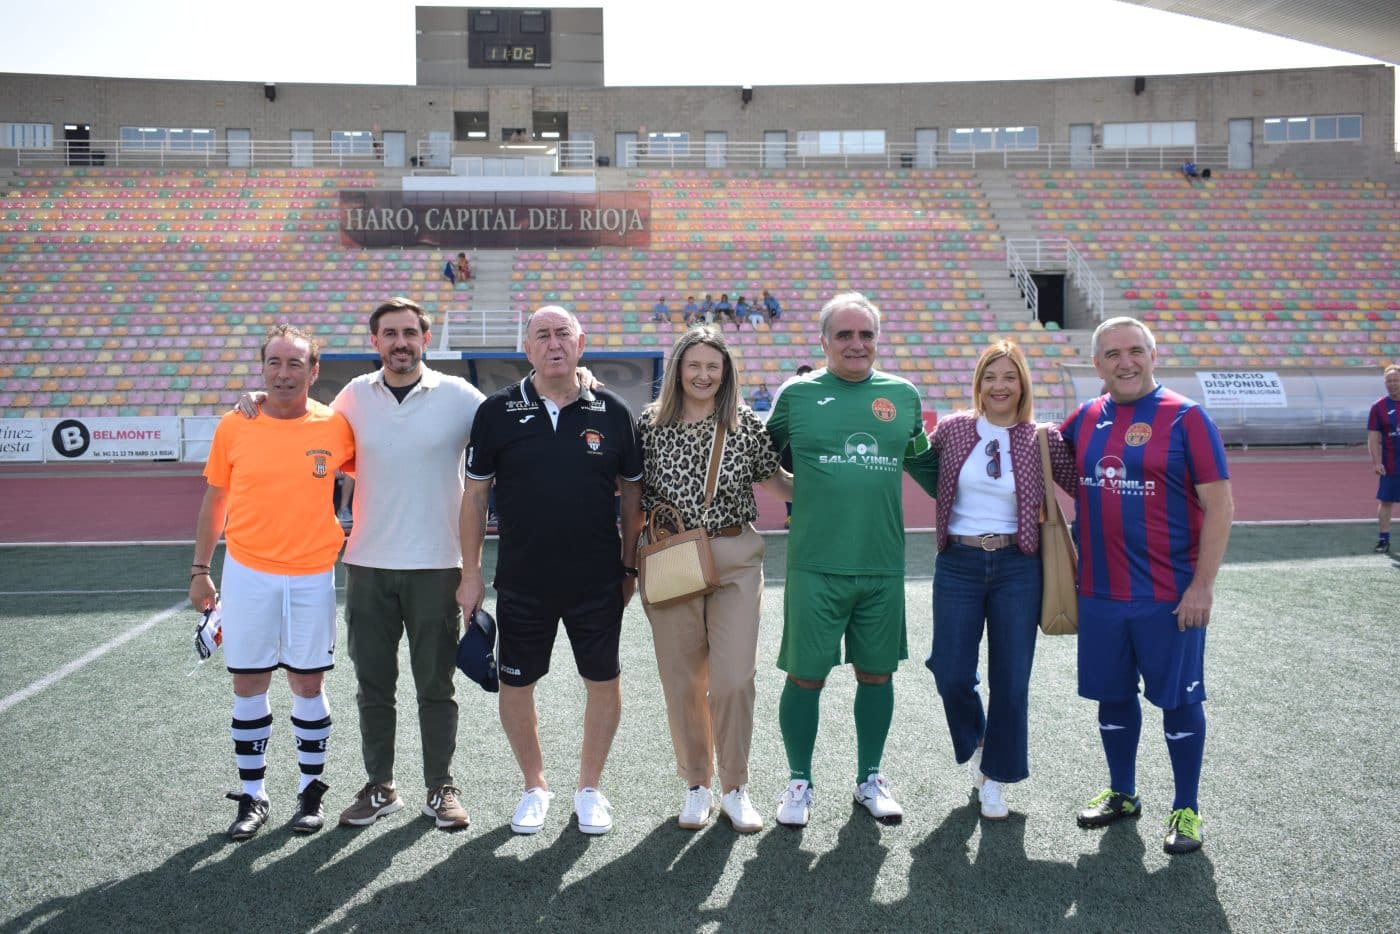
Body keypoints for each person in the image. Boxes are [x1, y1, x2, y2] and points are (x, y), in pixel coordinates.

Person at [456, 305, 644, 837]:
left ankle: (589, 790)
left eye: (564, 333)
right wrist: (469, 573)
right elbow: (474, 497)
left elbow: (632, 495)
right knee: (517, 685)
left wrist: (629, 565)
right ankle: (534, 786)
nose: (554, 343)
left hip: (597, 579)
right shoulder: (495, 412)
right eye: (543, 335)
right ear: (527, 348)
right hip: (522, 580)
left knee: (603, 681)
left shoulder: (613, 411)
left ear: (581, 343)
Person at [765, 292, 939, 827]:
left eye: (865, 334)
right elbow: (758, 455)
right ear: (823, 341)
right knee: (804, 678)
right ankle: (799, 781)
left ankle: (870, 778)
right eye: (844, 334)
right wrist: (799, 492)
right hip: (815, 564)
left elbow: (926, 468)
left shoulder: (902, 397)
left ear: (877, 340)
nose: (856, 344)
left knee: (878, 675)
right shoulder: (797, 395)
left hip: (884, 565)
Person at [1059, 316, 1232, 856]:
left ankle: (1186, 808)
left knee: (1179, 702)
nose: (1125, 362)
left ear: (1153, 356)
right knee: (1112, 698)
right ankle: (1124, 793)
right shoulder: (1081, 420)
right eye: (1112, 354)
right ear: (1097, 365)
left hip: (1169, 594)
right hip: (1100, 594)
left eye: (1135, 351)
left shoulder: (1186, 418)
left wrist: (1202, 586)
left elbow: (1221, 505)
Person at [189, 324, 354, 841]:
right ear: (262, 368)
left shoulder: (336, 426)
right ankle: (254, 795)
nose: (284, 374)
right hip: (248, 572)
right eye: (275, 363)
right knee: (249, 683)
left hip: (311, 575)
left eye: (295, 364)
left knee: (308, 683)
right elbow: (215, 500)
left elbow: (375, 470)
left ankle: (310, 789)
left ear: (314, 371)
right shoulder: (235, 425)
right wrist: (200, 570)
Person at [637, 327, 792, 832]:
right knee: (683, 683)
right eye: (694, 365)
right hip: (671, 559)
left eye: (714, 367)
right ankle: (697, 786)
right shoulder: (649, 425)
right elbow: (629, 494)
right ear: (678, 368)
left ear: (726, 374)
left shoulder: (743, 423)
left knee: (732, 681)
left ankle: (736, 787)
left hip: (733, 558)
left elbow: (779, 483)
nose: (704, 375)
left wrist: (837, 471)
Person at [925, 340, 1076, 821]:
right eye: (990, 376)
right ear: (978, 383)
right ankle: (981, 740)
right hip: (959, 564)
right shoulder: (951, 430)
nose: (999, 386)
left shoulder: (1042, 439)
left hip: (1018, 565)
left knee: (1011, 680)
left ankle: (996, 777)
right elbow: (911, 463)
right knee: (949, 671)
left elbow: (1089, 484)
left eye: (1009, 377)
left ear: (1022, 384)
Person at [1367, 364, 1400, 553]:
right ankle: (1384, 539)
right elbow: (1373, 436)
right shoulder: (1378, 407)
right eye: (1389, 381)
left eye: (1396, 380)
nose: (1393, 384)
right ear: (1385, 383)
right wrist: (1376, 462)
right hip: (1391, 464)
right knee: (1386, 501)